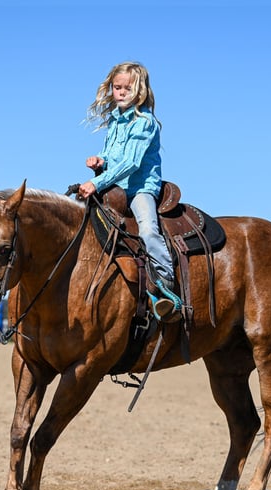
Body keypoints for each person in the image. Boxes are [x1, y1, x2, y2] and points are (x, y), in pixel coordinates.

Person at [77, 61, 182, 322]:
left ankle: (168, 285)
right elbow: (113, 156)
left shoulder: (145, 122)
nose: (121, 92)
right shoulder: (115, 121)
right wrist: (100, 160)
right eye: (117, 87)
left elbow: (131, 163)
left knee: (147, 230)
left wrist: (97, 183)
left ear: (140, 91)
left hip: (139, 189)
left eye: (128, 88)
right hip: (115, 188)